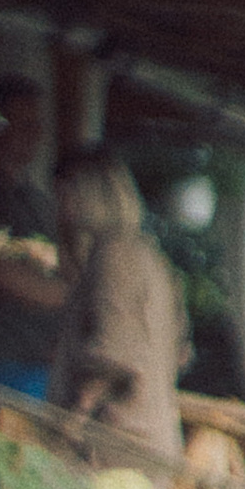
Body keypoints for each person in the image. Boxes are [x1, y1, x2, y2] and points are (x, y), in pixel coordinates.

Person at [49, 149, 184, 463]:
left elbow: (115, 350)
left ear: (90, 195)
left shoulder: (114, 255)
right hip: (149, 435)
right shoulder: (146, 254)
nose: (60, 207)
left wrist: (75, 416)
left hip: (117, 439)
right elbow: (179, 350)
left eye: (65, 195)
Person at [0, 75, 62, 398]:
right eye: (23, 124)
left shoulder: (38, 202)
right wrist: (76, 295)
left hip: (37, 363)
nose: (34, 134)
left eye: (37, 125)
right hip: (3, 359)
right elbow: (3, 271)